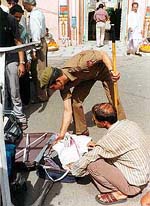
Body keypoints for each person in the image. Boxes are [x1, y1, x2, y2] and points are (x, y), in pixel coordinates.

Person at [69, 103, 150, 205]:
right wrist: (99, 147)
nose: (93, 120)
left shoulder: (108, 141)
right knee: (102, 155)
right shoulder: (129, 124)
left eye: (95, 119)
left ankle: (120, 192)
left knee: (92, 165)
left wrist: (73, 169)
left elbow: (87, 160)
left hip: (134, 185)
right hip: (145, 173)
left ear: (104, 123)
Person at [40, 50, 126, 140]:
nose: (54, 90)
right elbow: (67, 111)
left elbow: (103, 55)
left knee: (113, 98)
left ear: (58, 80)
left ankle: (123, 128)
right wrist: (61, 135)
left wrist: (111, 70)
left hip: (104, 70)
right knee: (75, 101)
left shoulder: (79, 64)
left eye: (53, 88)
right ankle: (81, 131)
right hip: (87, 77)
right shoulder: (63, 87)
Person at [0, 0, 27, 129]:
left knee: (14, 89)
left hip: (11, 58)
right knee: (2, 91)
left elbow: (18, 41)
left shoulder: (9, 19)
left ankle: (20, 117)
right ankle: (4, 116)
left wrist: (22, 62)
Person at [22, 0, 48, 103]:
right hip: (41, 42)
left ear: (28, 4)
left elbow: (35, 33)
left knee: (38, 71)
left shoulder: (34, 15)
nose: (24, 8)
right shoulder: (39, 12)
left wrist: (34, 50)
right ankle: (43, 93)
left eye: (24, 6)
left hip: (37, 44)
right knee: (41, 69)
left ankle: (41, 95)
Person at [9, 4, 31, 106]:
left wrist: (28, 59)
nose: (18, 19)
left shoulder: (22, 29)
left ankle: (25, 102)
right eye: (16, 17)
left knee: (24, 80)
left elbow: (25, 44)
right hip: (11, 57)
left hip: (22, 56)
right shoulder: (8, 27)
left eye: (19, 17)